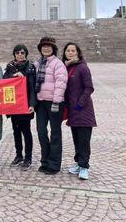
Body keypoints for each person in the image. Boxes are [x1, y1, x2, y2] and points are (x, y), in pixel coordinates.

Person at [62, 42, 97, 180]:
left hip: (83, 110)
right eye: (68, 50)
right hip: (73, 111)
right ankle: (78, 163)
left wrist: (79, 103)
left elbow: (89, 87)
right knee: (76, 138)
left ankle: (84, 167)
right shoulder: (68, 67)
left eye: (73, 50)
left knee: (83, 139)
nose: (70, 53)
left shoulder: (82, 67)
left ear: (78, 53)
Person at [34, 37, 68, 175]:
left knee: (55, 133)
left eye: (48, 46)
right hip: (41, 102)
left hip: (54, 103)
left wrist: (56, 101)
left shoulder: (58, 64)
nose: (46, 48)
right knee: (41, 131)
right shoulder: (37, 64)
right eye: (43, 46)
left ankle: (54, 164)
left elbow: (61, 83)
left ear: (53, 48)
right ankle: (45, 160)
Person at [3, 44, 36, 169]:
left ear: (26, 54)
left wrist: (32, 104)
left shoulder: (31, 67)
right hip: (14, 105)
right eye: (17, 53)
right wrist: (14, 76)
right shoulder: (10, 66)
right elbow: (4, 80)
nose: (20, 55)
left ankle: (28, 157)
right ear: (14, 54)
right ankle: (18, 155)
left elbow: (33, 88)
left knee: (26, 131)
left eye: (22, 52)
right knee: (16, 131)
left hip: (25, 105)